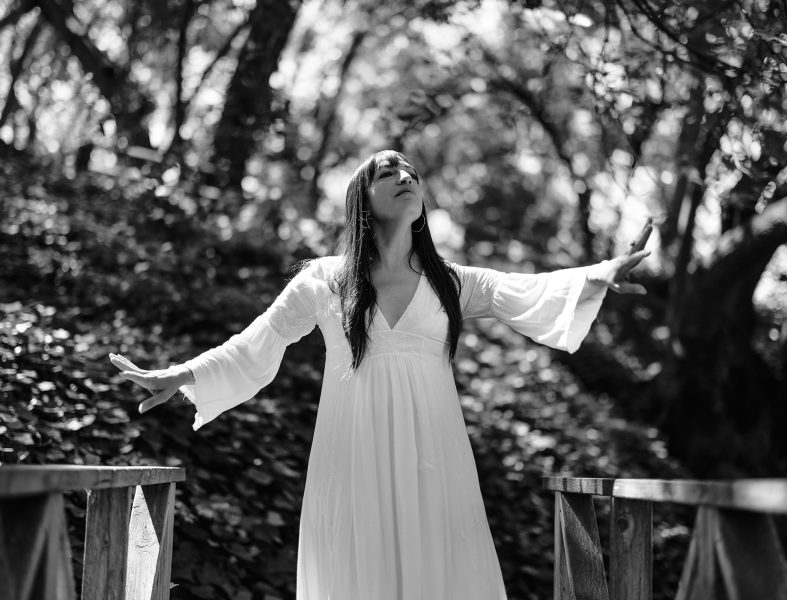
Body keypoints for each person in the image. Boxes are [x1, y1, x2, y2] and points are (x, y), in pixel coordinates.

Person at [110, 149, 650, 600]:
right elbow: (257, 342)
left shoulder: (453, 282)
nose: (404, 176)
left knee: (440, 565)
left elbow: (535, 290)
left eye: (411, 171)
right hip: (351, 456)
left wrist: (602, 273)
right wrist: (180, 374)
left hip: (433, 458)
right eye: (387, 170)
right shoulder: (324, 280)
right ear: (360, 197)